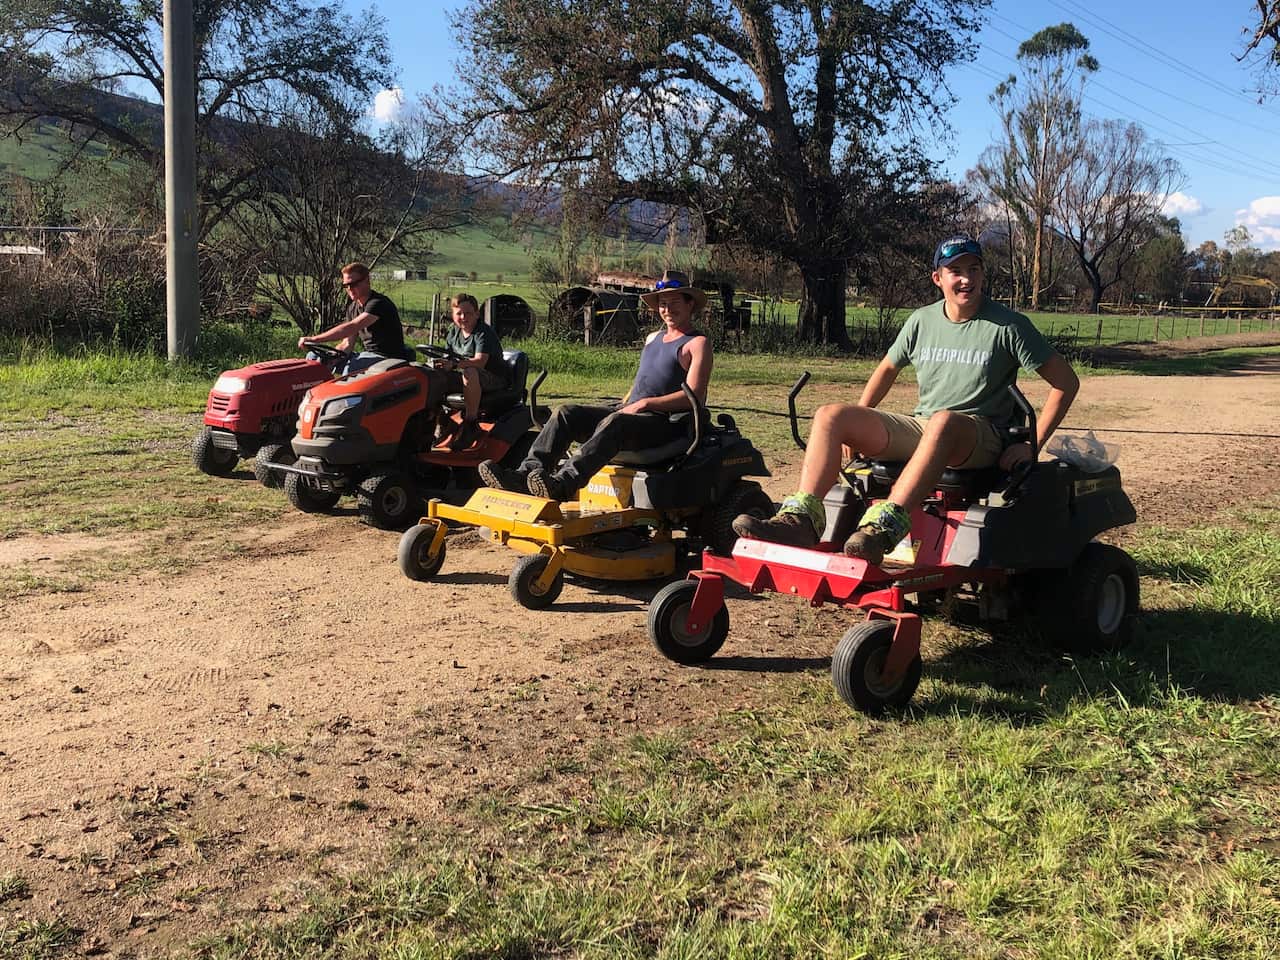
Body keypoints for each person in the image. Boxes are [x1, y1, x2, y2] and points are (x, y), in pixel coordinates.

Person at [734, 234, 1080, 565]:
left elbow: (1065, 382)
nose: (966, 279)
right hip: (926, 426)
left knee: (944, 421)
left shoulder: (1008, 326)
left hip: (982, 434)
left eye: (973, 269)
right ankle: (800, 522)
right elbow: (886, 369)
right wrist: (859, 420)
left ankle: (884, 527)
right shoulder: (921, 321)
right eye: (955, 271)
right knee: (830, 415)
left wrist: (1032, 444)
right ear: (937, 278)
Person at [478, 269, 713, 500]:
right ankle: (524, 475)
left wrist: (644, 404)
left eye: (674, 303)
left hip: (664, 424)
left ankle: (563, 484)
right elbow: (647, 380)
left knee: (617, 422)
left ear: (690, 304)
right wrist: (627, 402)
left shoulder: (697, 343)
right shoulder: (653, 338)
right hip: (631, 414)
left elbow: (693, 397)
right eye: (663, 303)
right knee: (566, 412)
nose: (668, 309)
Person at [297, 262, 414, 374]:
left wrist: (314, 339)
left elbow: (352, 327)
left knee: (352, 367)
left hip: (388, 358)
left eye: (353, 284)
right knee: (313, 358)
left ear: (367, 281)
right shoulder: (353, 308)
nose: (349, 288)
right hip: (369, 355)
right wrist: (332, 358)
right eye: (345, 285)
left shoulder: (378, 303)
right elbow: (347, 343)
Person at [438, 293, 508, 451]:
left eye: (468, 313)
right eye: (459, 313)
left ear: (477, 313)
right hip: (467, 374)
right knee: (431, 375)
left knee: (470, 371)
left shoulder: (483, 332)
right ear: (453, 315)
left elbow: (480, 362)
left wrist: (454, 365)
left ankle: (471, 423)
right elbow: (447, 357)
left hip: (492, 376)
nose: (463, 317)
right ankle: (439, 420)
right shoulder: (453, 332)